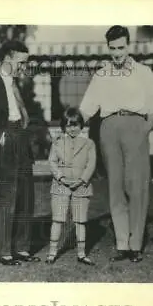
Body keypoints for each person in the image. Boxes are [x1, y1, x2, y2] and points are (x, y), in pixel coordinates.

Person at [79, 25, 153, 263]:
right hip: (109, 129)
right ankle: (122, 244)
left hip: (136, 126)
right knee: (115, 187)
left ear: (129, 45)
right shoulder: (102, 74)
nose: (117, 53)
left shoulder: (143, 72)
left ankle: (136, 244)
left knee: (136, 187)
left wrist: (143, 130)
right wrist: (69, 127)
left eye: (121, 48)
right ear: (108, 48)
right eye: (112, 49)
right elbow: (87, 108)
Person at [0, 40, 40, 265]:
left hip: (21, 139)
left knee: (27, 196)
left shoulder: (18, 85)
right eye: (21, 63)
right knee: (8, 197)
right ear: (8, 59)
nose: (24, 67)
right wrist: (0, 136)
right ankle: (4, 252)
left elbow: (25, 114)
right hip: (4, 141)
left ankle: (22, 248)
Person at [46, 107, 96, 265]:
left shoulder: (89, 143)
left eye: (75, 125)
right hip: (61, 185)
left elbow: (91, 164)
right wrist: (61, 177)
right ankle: (52, 252)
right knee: (58, 219)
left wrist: (82, 179)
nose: (72, 129)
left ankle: (81, 254)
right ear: (63, 126)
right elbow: (52, 161)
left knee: (80, 221)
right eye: (69, 125)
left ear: (81, 125)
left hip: (82, 186)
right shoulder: (58, 143)